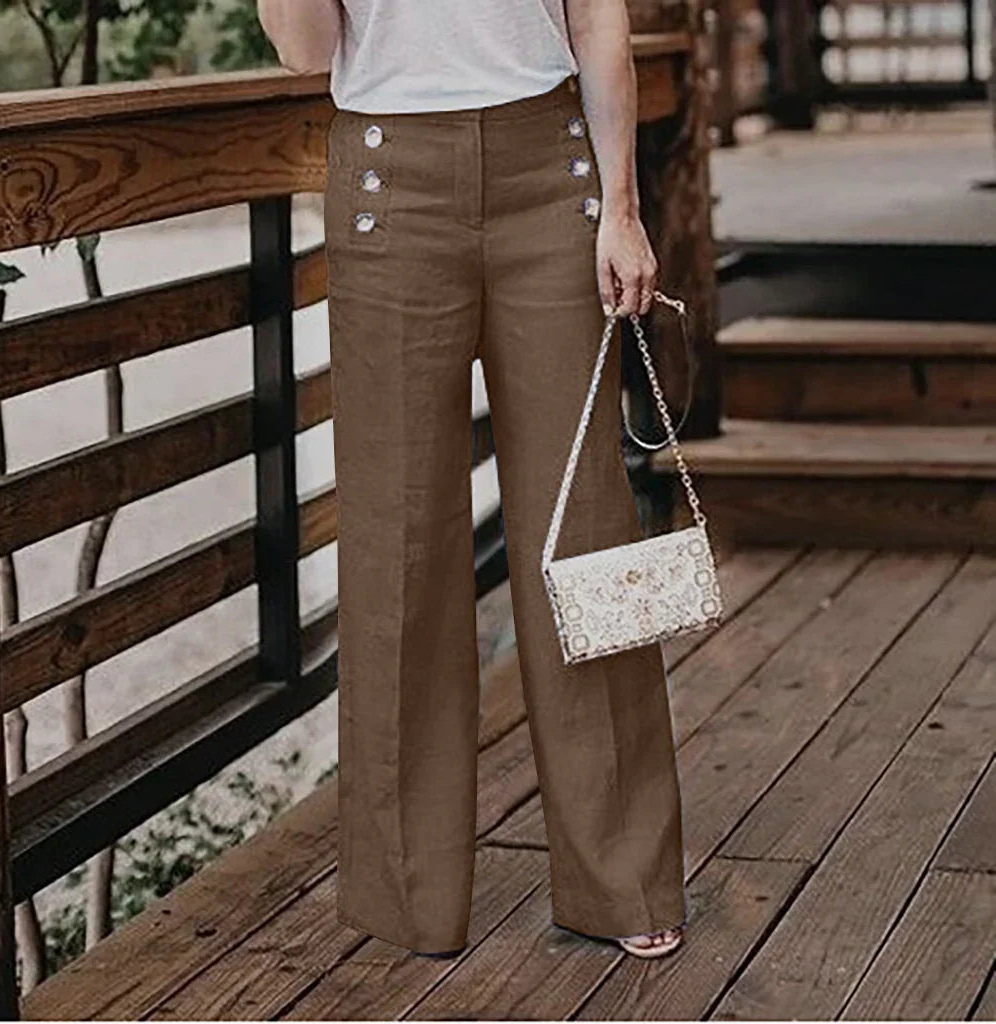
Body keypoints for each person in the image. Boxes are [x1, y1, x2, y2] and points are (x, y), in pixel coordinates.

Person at [257, 0, 687, 961]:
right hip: (385, 182)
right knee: (398, 537)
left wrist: (622, 209)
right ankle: (408, 890)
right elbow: (306, 49)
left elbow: (599, 26)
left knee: (589, 529)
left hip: (553, 170)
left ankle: (626, 877)